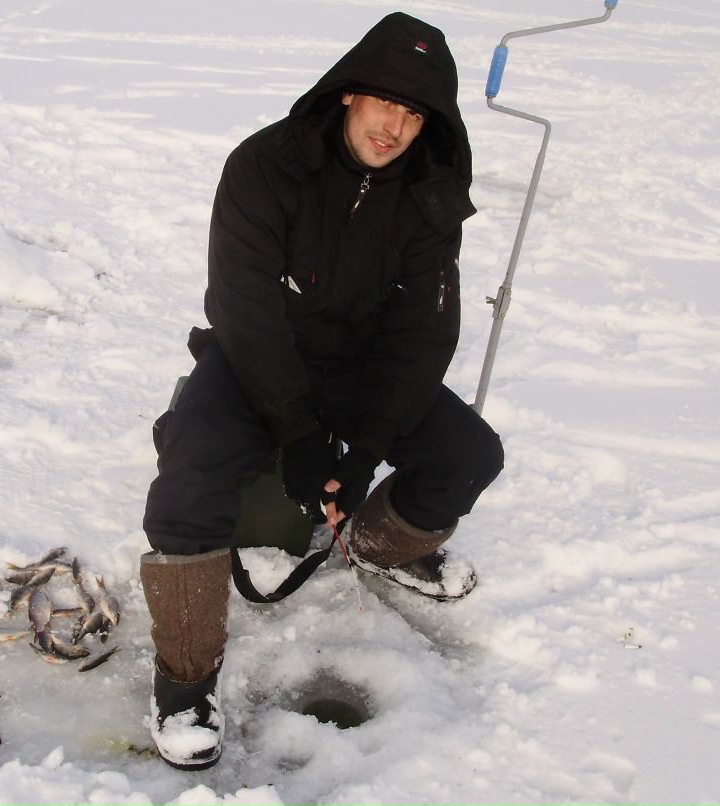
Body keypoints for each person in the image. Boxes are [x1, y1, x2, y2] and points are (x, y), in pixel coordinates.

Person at [140, 12, 504, 771]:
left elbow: (421, 335)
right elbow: (245, 308)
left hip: (363, 368)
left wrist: (368, 447)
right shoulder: (265, 166)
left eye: (414, 113)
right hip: (253, 360)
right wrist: (300, 435)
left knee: (468, 454)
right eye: (384, 103)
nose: (395, 126)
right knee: (188, 483)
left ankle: (371, 545)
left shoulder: (429, 196)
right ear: (348, 95)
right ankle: (184, 685)